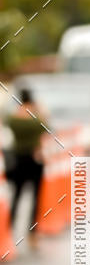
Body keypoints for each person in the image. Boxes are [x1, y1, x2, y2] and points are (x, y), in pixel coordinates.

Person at [6, 88, 46, 249]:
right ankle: (32, 232)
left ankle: (9, 228)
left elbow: (9, 122)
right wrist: (39, 112)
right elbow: (45, 126)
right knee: (36, 198)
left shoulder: (14, 117)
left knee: (16, 195)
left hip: (18, 159)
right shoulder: (34, 117)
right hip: (34, 159)